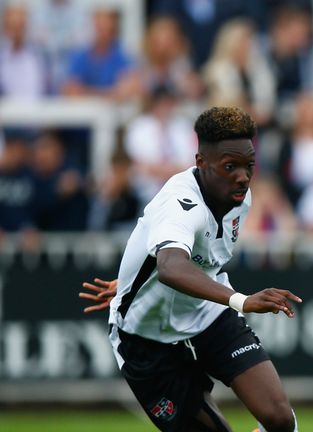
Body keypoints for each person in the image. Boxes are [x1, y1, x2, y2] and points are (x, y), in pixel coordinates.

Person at [78, 106, 301, 432]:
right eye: (230, 166)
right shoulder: (180, 203)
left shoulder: (240, 197)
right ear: (201, 163)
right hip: (147, 339)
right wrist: (242, 300)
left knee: (280, 421)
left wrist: (132, 278)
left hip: (207, 317)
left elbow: (183, 257)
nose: (243, 176)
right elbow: (170, 267)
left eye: (249, 166)